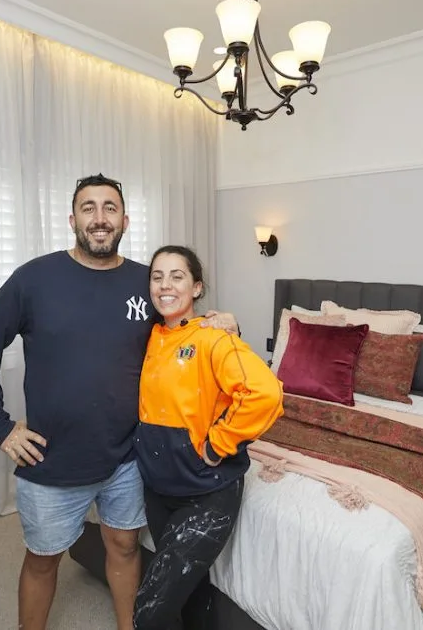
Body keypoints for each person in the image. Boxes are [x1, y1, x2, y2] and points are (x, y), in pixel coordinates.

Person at [0, 174, 238, 630]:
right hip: (51, 460)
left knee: (125, 548)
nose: (100, 217)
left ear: (125, 220)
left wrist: (221, 322)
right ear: (73, 219)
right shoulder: (35, 278)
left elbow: (178, 330)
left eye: (110, 208)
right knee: (43, 560)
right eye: (89, 208)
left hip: (127, 458)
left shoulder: (142, 282)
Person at [131, 246, 284, 630]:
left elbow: (265, 393)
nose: (166, 285)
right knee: (191, 590)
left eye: (177, 276)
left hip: (205, 492)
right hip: (158, 488)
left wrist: (219, 443)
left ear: (197, 287)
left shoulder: (213, 337)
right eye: (157, 276)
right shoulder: (147, 336)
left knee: (150, 612)